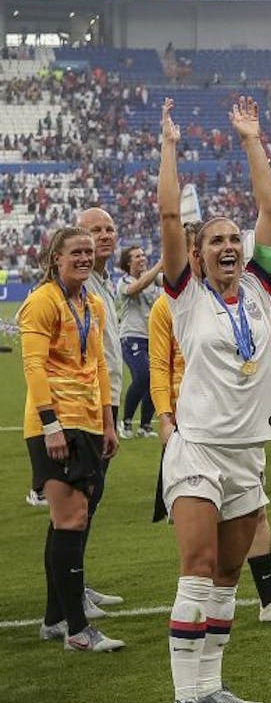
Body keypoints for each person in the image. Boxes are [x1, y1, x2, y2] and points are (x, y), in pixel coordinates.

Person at [156, 95, 271, 703]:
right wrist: (172, 148)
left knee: (230, 575)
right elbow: (169, 214)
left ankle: (210, 687)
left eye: (235, 239)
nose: (230, 245)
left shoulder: (260, 290)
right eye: (218, 241)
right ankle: (183, 701)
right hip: (198, 449)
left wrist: (252, 140)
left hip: (247, 456)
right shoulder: (185, 300)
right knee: (198, 568)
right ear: (200, 255)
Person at [150, 262, 271, 629]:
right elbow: (159, 362)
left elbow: (264, 325)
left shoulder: (242, 297)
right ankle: (195, 612)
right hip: (194, 428)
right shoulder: (171, 304)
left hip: (237, 425)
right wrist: (164, 414)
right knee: (200, 544)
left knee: (256, 515)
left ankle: (269, 601)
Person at [21, 226, 124, 651]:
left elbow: (99, 366)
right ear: (55, 258)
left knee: (67, 522)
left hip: (87, 422)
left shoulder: (93, 304)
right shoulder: (42, 301)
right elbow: (33, 367)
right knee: (71, 521)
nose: (84, 258)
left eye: (87, 252)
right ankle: (79, 632)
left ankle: (53, 621)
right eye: (75, 252)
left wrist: (108, 422)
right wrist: (50, 425)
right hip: (55, 425)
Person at [75, 206, 125, 613]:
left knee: (90, 500)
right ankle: (69, 592)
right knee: (79, 501)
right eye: (96, 230)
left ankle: (77, 581)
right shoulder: (79, 281)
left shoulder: (105, 280)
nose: (105, 235)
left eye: (109, 228)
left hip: (107, 399)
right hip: (88, 403)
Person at [118, 245, 162, 438]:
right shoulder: (123, 282)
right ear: (128, 263)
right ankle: (126, 423)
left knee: (155, 379)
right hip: (131, 336)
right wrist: (160, 264)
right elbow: (138, 286)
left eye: (143, 254)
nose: (142, 258)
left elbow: (172, 278)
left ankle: (145, 426)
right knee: (143, 375)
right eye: (137, 256)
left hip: (152, 338)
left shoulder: (154, 279)